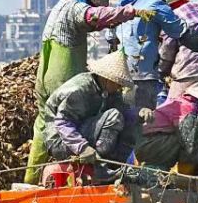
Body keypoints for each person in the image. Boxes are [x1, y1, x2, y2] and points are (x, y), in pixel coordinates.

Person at [26, 0, 146, 183]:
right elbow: (95, 16)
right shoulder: (74, 6)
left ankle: (30, 178)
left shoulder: (61, 7)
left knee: (42, 124)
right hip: (62, 70)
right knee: (104, 118)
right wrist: (130, 12)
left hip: (47, 72)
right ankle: (98, 172)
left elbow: (125, 109)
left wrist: (141, 113)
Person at [110, 0, 198, 110]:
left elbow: (110, 36)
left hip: (117, 72)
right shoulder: (155, 4)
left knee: (123, 118)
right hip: (142, 75)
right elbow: (180, 31)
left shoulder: (123, 3)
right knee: (142, 122)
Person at [40, 51, 137, 185]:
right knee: (113, 116)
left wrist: (140, 113)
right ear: (107, 78)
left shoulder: (108, 91)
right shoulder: (80, 90)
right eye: (118, 83)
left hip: (84, 130)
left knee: (130, 121)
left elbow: (125, 112)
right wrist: (82, 148)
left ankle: (115, 167)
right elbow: (62, 123)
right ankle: (100, 171)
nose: (120, 87)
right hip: (61, 141)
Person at [135, 74, 198, 177]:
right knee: (196, 137)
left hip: (164, 143)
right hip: (150, 146)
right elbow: (191, 145)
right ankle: (153, 174)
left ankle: (190, 175)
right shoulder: (187, 107)